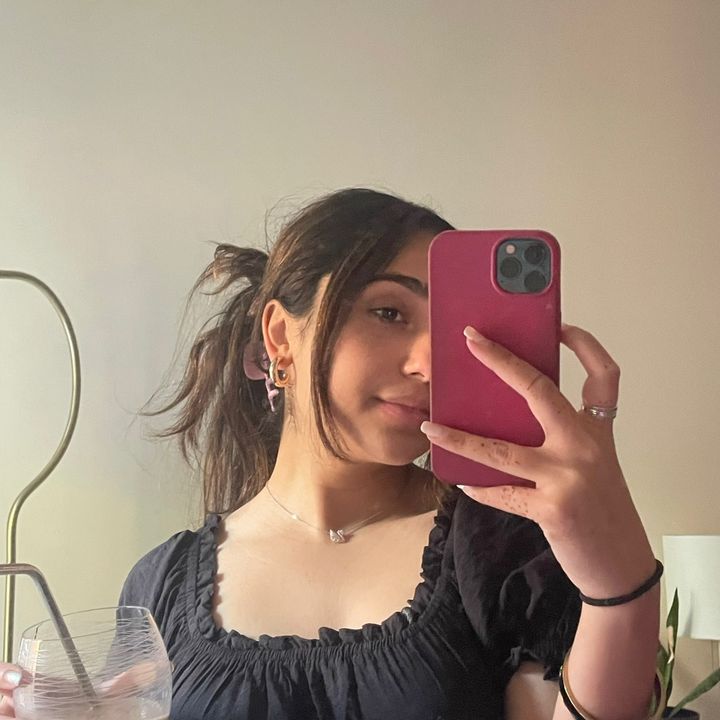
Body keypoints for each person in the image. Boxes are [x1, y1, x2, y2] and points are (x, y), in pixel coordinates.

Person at [1, 188, 662, 719]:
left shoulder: (501, 550)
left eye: (449, 335)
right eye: (389, 313)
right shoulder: (161, 587)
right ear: (280, 337)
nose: (429, 364)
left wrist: (619, 587)